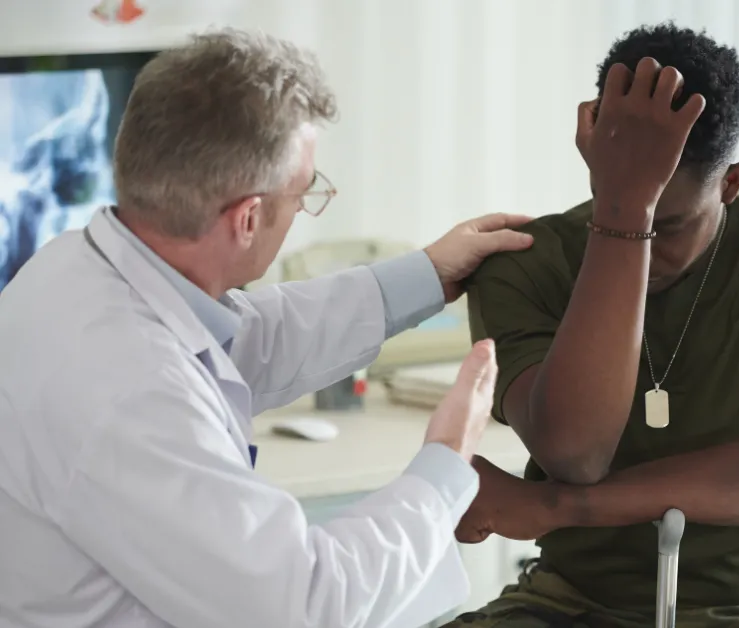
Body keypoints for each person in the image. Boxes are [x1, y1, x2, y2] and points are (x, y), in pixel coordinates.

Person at [0, 29, 532, 628]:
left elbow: (245, 337)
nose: (305, 208)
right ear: (248, 218)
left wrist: (426, 276)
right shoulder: (127, 392)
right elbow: (305, 604)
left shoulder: (73, 266)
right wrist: (445, 459)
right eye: (305, 194)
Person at [450, 23, 739, 628]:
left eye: (670, 222)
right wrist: (624, 212)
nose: (643, 249)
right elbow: (575, 450)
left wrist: (553, 505)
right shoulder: (526, 259)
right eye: (612, 196)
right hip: (566, 605)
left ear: (731, 183)